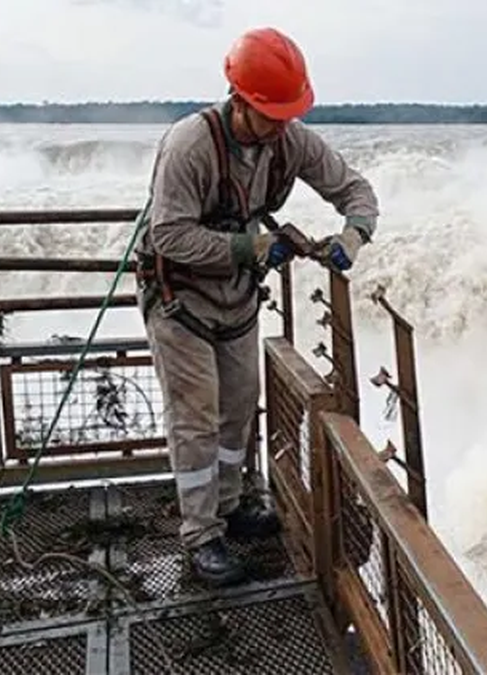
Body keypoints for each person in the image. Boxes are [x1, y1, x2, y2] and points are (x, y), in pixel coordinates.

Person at [133, 27, 379, 586]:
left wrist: (354, 234)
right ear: (240, 99)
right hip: (179, 299)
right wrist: (253, 247)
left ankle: (232, 504)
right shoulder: (189, 145)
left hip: (235, 298)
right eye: (270, 113)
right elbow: (168, 236)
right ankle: (201, 535)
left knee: (240, 403)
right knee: (195, 414)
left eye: (286, 114)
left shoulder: (290, 141)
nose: (278, 127)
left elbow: (355, 190)